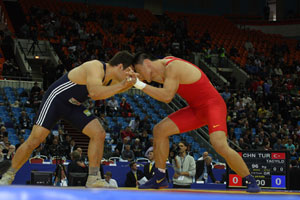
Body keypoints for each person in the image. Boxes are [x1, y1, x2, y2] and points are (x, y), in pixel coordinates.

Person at [0, 51, 135, 187]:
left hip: (74, 105)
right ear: (121, 66)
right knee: (34, 140)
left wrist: (128, 84)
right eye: (129, 71)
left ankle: (93, 178)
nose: (128, 74)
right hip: (56, 100)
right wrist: (123, 85)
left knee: (99, 133)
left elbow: (113, 90)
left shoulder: (112, 79)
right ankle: (8, 174)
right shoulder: (95, 67)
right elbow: (95, 93)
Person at [130, 53, 260, 192]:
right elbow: (146, 80)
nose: (140, 74)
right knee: (159, 130)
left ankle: (250, 180)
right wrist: (135, 78)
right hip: (196, 110)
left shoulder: (173, 67)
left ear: (147, 63)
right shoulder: (161, 68)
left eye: (139, 70)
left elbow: (167, 96)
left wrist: (138, 83)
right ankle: (160, 177)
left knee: (219, 145)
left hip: (213, 106)